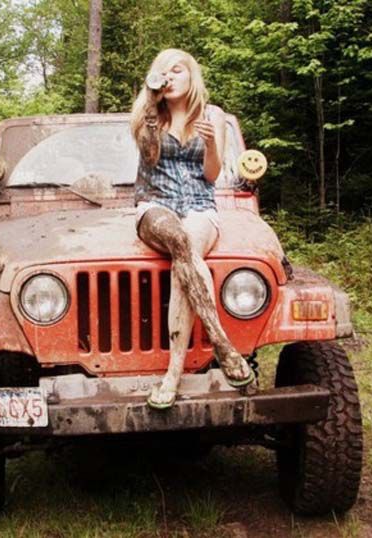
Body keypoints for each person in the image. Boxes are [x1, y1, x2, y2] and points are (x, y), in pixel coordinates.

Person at [130, 48, 256, 409]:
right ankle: (222, 343)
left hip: (201, 207)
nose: (170, 77)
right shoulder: (146, 115)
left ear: (192, 77)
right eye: (163, 72)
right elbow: (150, 156)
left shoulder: (213, 116)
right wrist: (152, 108)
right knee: (179, 241)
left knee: (185, 253)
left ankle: (172, 374)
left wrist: (213, 142)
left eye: (177, 70)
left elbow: (212, 175)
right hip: (155, 206)